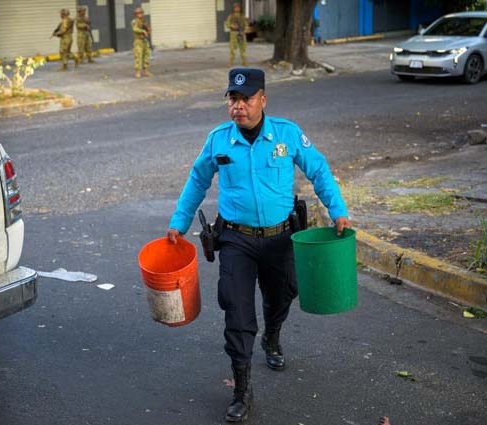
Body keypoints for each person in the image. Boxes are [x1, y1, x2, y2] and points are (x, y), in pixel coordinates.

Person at [166, 68, 351, 422]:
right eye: (233, 99)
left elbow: (319, 170)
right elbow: (197, 180)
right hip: (236, 239)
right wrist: (179, 221)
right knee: (236, 311)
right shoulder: (219, 139)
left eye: (246, 99)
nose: (239, 106)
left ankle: (273, 336)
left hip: (281, 236)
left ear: (262, 100)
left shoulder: (287, 133)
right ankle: (241, 390)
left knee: (283, 294)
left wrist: (337, 211)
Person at [224, 3, 248, 67]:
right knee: (232, 49)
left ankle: (244, 62)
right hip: (234, 34)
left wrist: (245, 30)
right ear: (233, 8)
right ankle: (231, 62)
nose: (237, 9)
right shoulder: (231, 16)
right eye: (236, 7)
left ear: (240, 8)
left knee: (243, 48)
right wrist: (232, 26)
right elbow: (227, 23)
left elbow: (246, 24)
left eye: (238, 7)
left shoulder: (242, 16)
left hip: (241, 33)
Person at [131, 7, 151, 78]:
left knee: (146, 55)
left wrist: (148, 30)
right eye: (138, 13)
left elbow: (147, 28)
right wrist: (143, 31)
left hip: (144, 40)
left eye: (141, 13)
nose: (140, 15)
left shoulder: (144, 21)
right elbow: (135, 29)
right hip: (138, 41)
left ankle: (145, 70)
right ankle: (137, 72)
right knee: (138, 56)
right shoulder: (134, 21)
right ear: (136, 14)